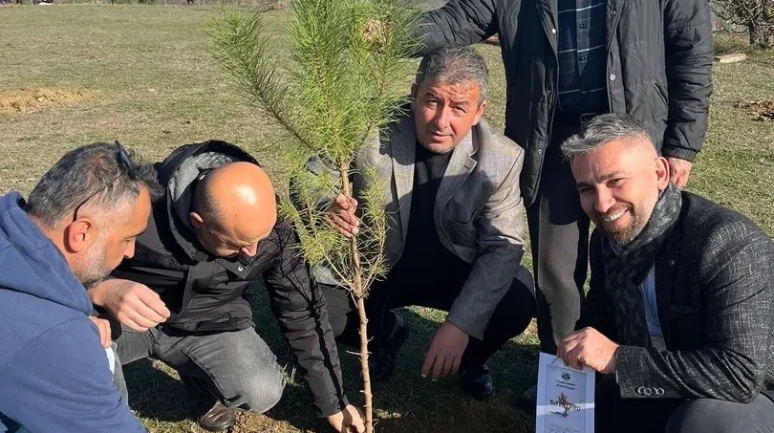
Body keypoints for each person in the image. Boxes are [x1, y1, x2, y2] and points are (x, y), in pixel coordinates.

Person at [412, 0, 714, 361]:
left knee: (641, 261)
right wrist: (382, 31)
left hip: (631, 139)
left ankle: (640, 370)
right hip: (549, 141)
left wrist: (682, 144)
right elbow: (456, 20)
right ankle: (564, 381)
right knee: (555, 273)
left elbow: (692, 50)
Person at [88, 140, 364, 433]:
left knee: (262, 390)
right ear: (198, 222)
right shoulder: (140, 205)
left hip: (209, 321)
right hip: (125, 318)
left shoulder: (270, 224)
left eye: (260, 238)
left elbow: (301, 309)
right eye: (238, 244)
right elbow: (55, 261)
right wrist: (101, 289)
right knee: (84, 347)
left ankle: (200, 383)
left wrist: (333, 402)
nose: (253, 252)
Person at [317, 45, 536, 401]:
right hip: (378, 267)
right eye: (432, 101)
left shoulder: (503, 159)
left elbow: (502, 247)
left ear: (479, 112)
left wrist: (461, 324)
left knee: (517, 300)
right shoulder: (368, 125)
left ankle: (471, 361)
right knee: (317, 303)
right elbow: (311, 174)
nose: (440, 121)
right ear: (414, 92)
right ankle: (382, 333)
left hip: (454, 271)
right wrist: (327, 203)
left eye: (458, 108)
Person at [555, 114, 774, 433]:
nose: (602, 204)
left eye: (615, 181)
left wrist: (618, 360)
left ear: (660, 173)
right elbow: (600, 320)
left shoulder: (727, 242)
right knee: (579, 416)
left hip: (752, 397)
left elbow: (739, 375)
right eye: (587, 189)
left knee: (705, 423)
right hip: (663, 384)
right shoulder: (606, 239)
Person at [0, 142, 157, 433]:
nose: (131, 252)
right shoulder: (54, 339)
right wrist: (67, 333)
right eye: (128, 238)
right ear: (81, 233)